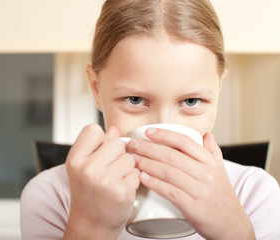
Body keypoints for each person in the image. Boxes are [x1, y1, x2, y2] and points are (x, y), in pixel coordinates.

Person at [21, 0, 280, 239]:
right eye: (135, 100)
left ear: (218, 90)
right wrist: (90, 226)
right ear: (97, 89)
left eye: (191, 102)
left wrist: (235, 231)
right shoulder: (51, 195)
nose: (164, 132)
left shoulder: (254, 193)